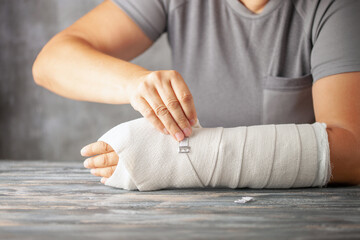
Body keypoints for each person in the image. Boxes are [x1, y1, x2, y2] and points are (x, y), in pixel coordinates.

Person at [33, 0, 360, 186]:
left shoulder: (337, 7)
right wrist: (135, 84)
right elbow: (50, 62)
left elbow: (352, 151)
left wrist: (166, 159)